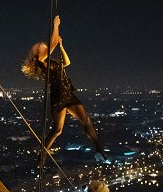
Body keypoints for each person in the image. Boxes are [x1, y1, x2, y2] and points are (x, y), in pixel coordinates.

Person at [21, 15, 107, 163]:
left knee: (86, 120)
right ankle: (41, 157)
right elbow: (53, 41)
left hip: (67, 93)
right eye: (42, 47)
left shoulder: (51, 61)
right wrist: (56, 25)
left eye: (45, 46)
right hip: (58, 96)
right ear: (36, 53)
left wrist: (61, 46)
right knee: (58, 130)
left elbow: (66, 62)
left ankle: (100, 149)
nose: (45, 47)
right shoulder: (41, 62)